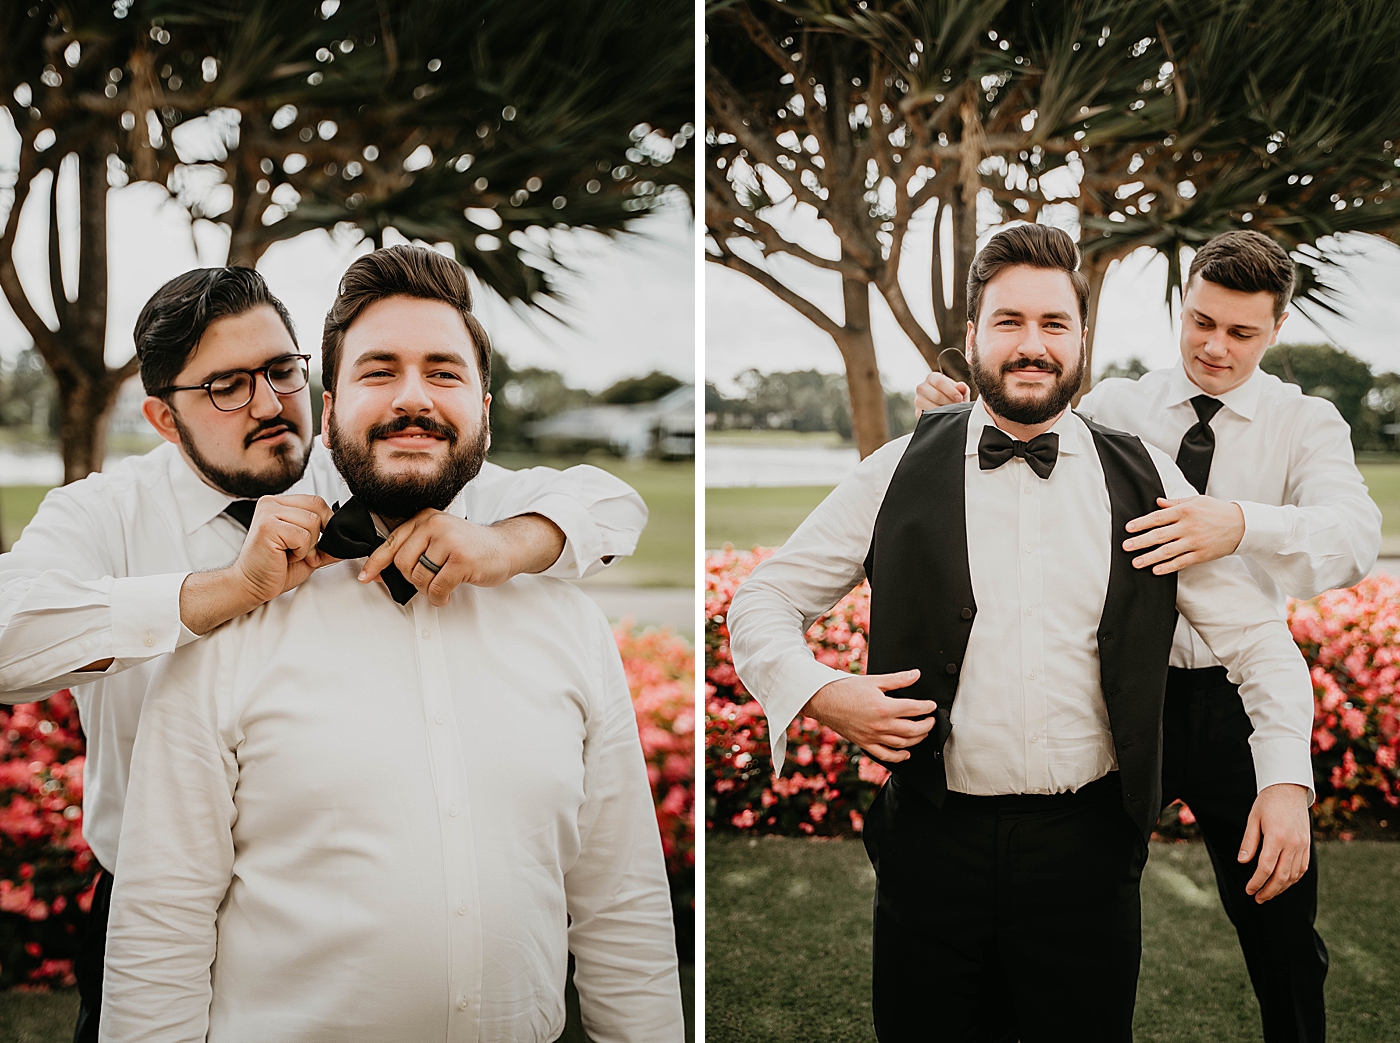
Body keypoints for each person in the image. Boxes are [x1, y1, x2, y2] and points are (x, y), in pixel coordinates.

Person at [0, 265, 646, 1043]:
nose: (272, 405)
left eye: (282, 370)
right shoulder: (104, 513)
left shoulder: (363, 458)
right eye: (227, 386)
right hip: (153, 899)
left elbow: (609, 503)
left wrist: (509, 541)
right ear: (164, 419)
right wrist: (227, 588)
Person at [727, 224, 1315, 1043]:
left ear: (1080, 341)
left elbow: (1256, 640)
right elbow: (760, 602)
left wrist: (1285, 780)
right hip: (930, 845)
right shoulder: (897, 469)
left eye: (1053, 324)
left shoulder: (1144, 478)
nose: (1031, 345)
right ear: (971, 338)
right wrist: (822, 693)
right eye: (1008, 322)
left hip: (1088, 856)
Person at [915, 228, 1380, 1042]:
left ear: (1277, 327)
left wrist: (1236, 522)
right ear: (1183, 304)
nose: (1215, 346)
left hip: (1240, 695)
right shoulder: (1117, 406)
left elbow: (1353, 538)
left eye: (1241, 332)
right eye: (1201, 321)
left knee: (1280, 926)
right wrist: (955, 418)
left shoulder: (1307, 423)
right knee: (1082, 909)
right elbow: (1029, 449)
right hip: (1126, 695)